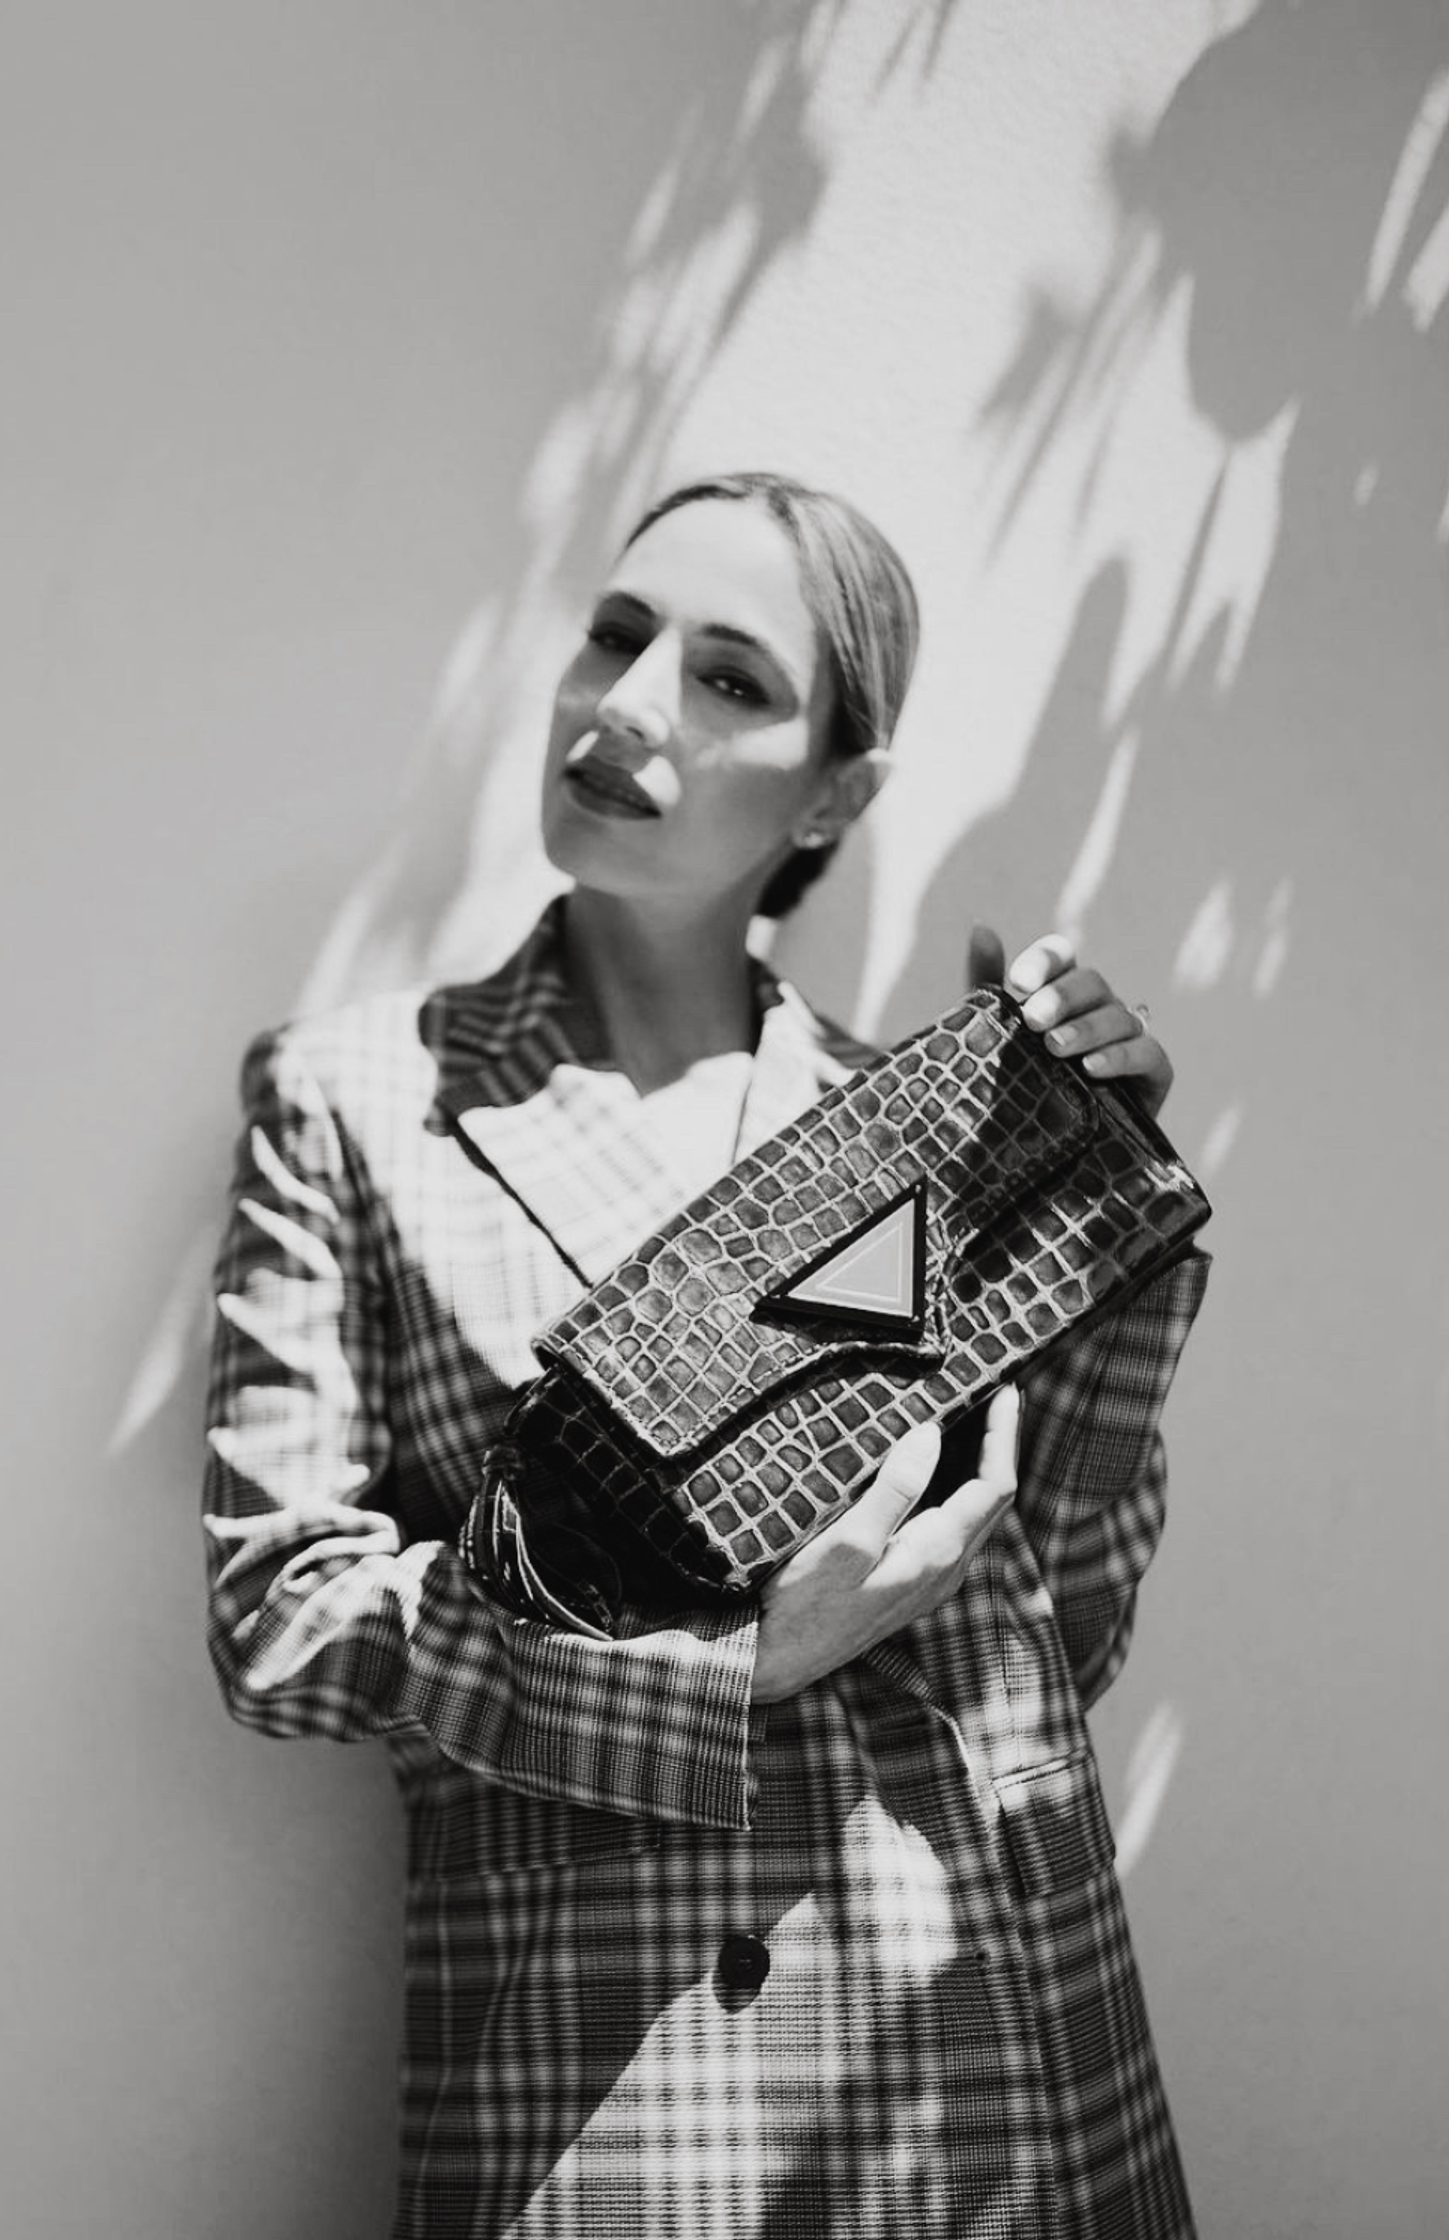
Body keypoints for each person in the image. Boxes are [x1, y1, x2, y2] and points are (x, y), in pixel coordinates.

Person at [202, 472, 1209, 2239]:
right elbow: (280, 1624)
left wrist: (1099, 1219)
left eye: (730, 676)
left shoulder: (915, 1126)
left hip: (985, 2032)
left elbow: (1061, 1634)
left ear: (835, 792)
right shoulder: (355, 1098)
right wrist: (723, 1665)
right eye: (616, 634)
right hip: (618, 2083)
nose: (629, 702)